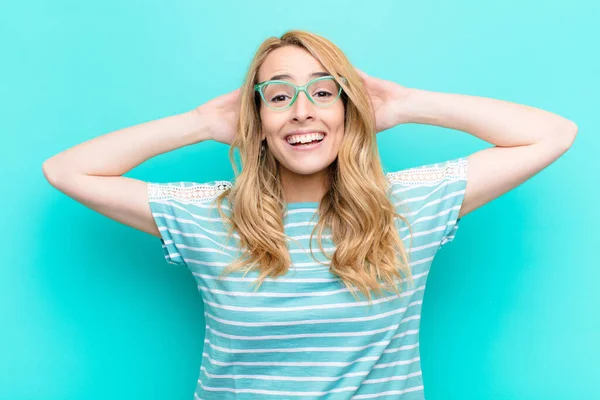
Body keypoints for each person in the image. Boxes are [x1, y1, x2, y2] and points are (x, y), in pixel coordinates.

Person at [42, 29, 578, 399]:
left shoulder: (408, 205)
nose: (302, 110)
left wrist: (408, 103)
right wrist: (202, 121)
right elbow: (67, 170)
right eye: (279, 96)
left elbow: (553, 133)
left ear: (349, 108)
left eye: (324, 92)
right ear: (257, 119)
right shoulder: (209, 214)